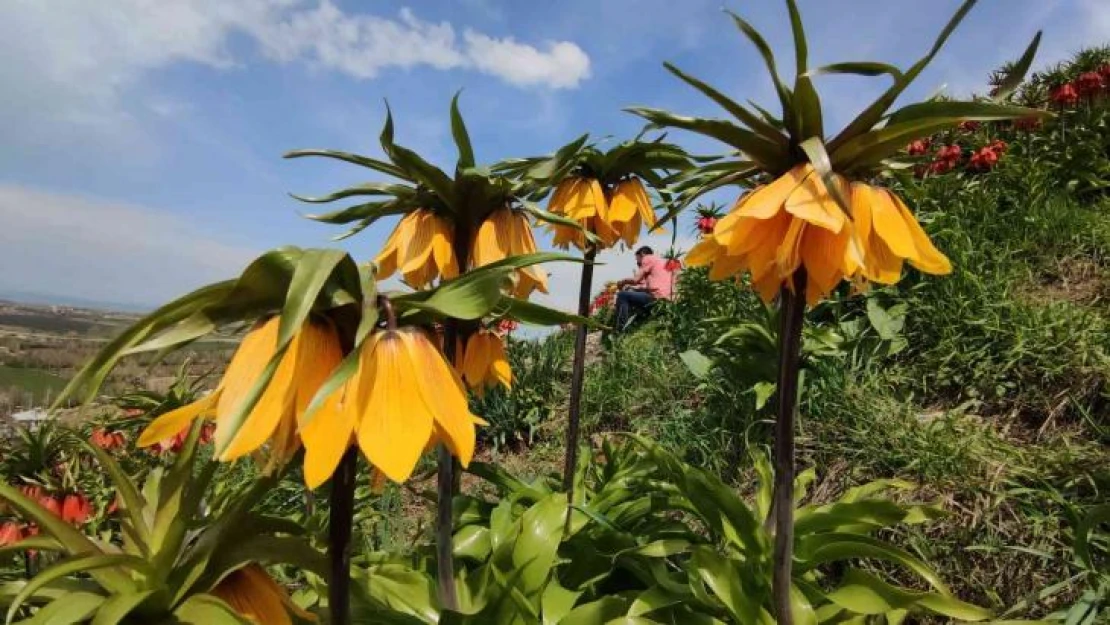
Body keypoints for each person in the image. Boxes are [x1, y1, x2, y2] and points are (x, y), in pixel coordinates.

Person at [613, 246, 674, 331]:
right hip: (668, 301)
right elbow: (654, 286)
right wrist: (633, 288)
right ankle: (636, 323)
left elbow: (636, 280)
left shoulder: (647, 258)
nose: (638, 264)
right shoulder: (662, 261)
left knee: (623, 295)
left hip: (656, 299)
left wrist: (622, 282)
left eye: (638, 261)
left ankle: (620, 328)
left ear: (642, 254)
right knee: (634, 295)